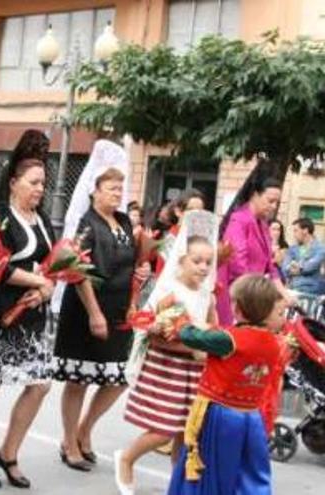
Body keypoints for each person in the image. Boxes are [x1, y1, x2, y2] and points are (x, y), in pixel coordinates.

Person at [0, 129, 56, 489]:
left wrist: (47, 287)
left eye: (43, 184)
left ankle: (9, 452)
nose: (39, 189)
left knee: (40, 385)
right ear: (14, 182)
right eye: (33, 183)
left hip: (33, 316)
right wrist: (38, 283)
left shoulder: (43, 219)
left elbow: (52, 264)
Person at [53, 140, 145, 472]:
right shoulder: (87, 224)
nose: (117, 193)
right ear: (95, 191)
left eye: (120, 187)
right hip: (87, 311)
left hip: (119, 311)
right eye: (110, 188)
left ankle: (84, 430)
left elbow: (129, 266)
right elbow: (76, 269)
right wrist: (94, 313)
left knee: (117, 379)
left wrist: (139, 282)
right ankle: (68, 440)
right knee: (78, 379)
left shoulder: (124, 223)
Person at [116, 211, 219, 495]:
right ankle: (126, 459)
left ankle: (179, 481)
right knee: (162, 428)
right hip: (167, 368)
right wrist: (191, 344)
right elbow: (155, 333)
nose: (203, 267)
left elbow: (215, 329)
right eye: (196, 261)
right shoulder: (170, 291)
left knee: (187, 431)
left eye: (208, 262)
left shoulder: (207, 295)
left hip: (195, 372)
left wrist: (211, 341)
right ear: (181, 260)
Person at [157, 274, 285, 494]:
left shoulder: (228, 339)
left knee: (209, 466)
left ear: (238, 309)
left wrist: (181, 318)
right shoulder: (273, 342)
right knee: (248, 469)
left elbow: (191, 337)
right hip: (251, 416)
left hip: (221, 414)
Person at [216, 173, 291, 324]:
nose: (274, 206)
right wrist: (260, 294)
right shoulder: (239, 220)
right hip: (239, 294)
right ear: (255, 195)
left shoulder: (262, 224)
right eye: (270, 201)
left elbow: (270, 265)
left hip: (253, 293)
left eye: (277, 202)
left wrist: (283, 292)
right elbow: (238, 264)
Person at [282, 217, 325, 296]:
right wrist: (298, 267)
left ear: (305, 230)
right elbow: (284, 268)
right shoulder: (292, 249)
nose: (294, 234)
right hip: (292, 288)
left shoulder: (321, 248)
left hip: (311, 289)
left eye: (296, 231)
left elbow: (310, 266)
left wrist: (297, 266)